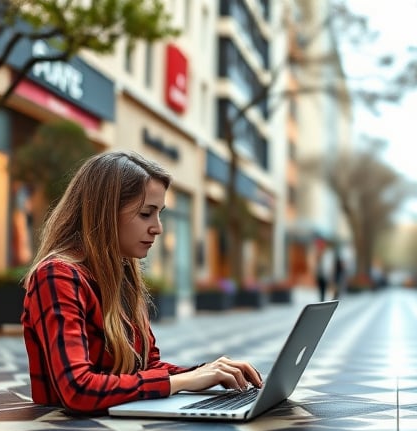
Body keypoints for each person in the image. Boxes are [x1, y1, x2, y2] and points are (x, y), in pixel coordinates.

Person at [21, 151, 262, 415]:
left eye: (159, 214)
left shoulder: (123, 275)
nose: (158, 228)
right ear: (105, 213)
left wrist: (206, 372)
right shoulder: (57, 276)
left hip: (116, 424)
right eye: (146, 214)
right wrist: (181, 382)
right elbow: (78, 389)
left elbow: (149, 367)